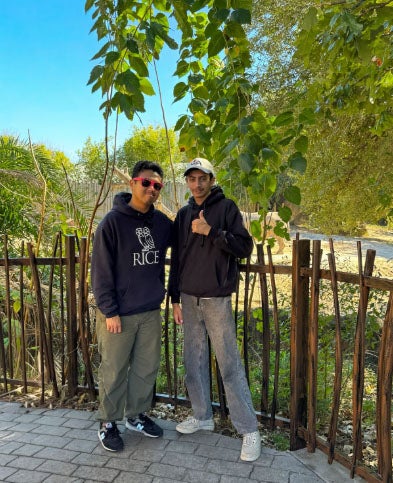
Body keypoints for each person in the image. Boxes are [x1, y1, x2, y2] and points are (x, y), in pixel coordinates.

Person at [168, 157, 261, 462]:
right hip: (189, 297)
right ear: (187, 182)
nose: (197, 184)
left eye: (202, 178)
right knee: (193, 361)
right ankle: (202, 416)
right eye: (192, 179)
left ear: (211, 179)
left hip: (216, 298)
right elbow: (177, 260)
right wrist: (174, 298)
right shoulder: (182, 215)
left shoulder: (226, 208)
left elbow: (244, 248)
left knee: (229, 364)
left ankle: (249, 430)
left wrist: (211, 231)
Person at [91, 160, 172, 452]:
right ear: (133, 183)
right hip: (119, 314)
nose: (152, 188)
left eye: (157, 185)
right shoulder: (112, 223)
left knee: (145, 368)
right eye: (146, 182)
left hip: (149, 310)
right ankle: (108, 422)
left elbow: (187, 240)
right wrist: (109, 311)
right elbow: (101, 272)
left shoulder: (161, 224)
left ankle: (135, 416)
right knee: (113, 369)